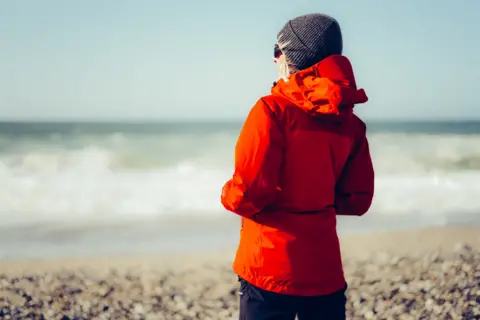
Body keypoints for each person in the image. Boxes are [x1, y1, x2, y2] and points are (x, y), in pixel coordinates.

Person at [221, 13, 375, 320]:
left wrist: (226, 194)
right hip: (324, 269)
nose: (274, 58)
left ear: (288, 57)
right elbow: (357, 199)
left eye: (277, 50)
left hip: (268, 268)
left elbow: (249, 193)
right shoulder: (351, 123)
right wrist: (312, 204)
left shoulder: (271, 111)